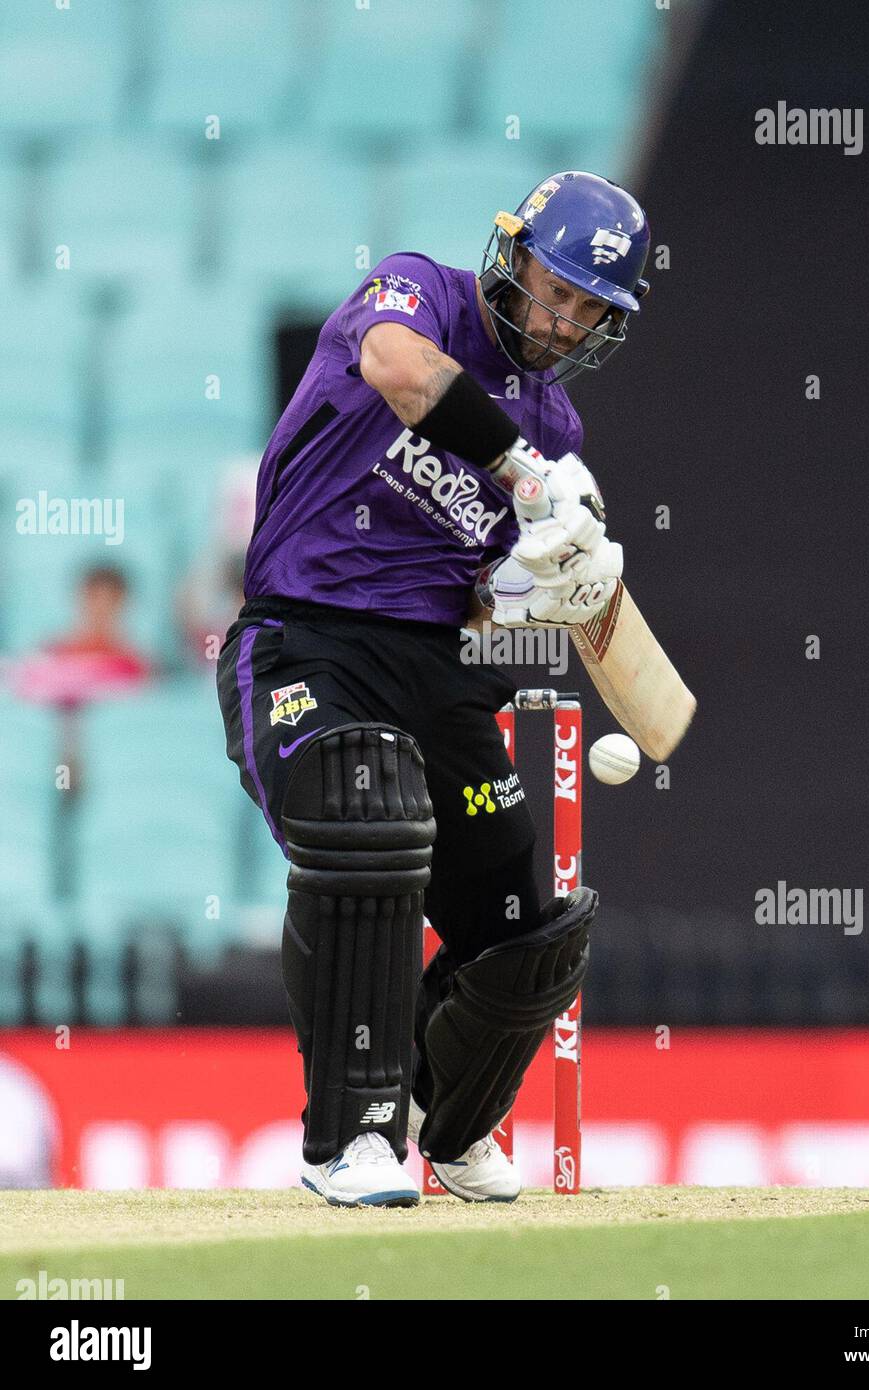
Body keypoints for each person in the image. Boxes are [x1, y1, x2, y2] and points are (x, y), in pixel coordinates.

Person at [217, 170, 651, 1207]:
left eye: (593, 309)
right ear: (514, 255)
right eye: (559, 287)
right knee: (367, 810)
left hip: (434, 663)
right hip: (304, 639)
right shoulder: (419, 294)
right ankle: (349, 1138)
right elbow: (398, 371)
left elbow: (473, 597)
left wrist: (542, 585)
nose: (567, 319)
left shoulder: (561, 430)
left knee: (521, 921)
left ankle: (447, 1125)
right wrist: (524, 474)